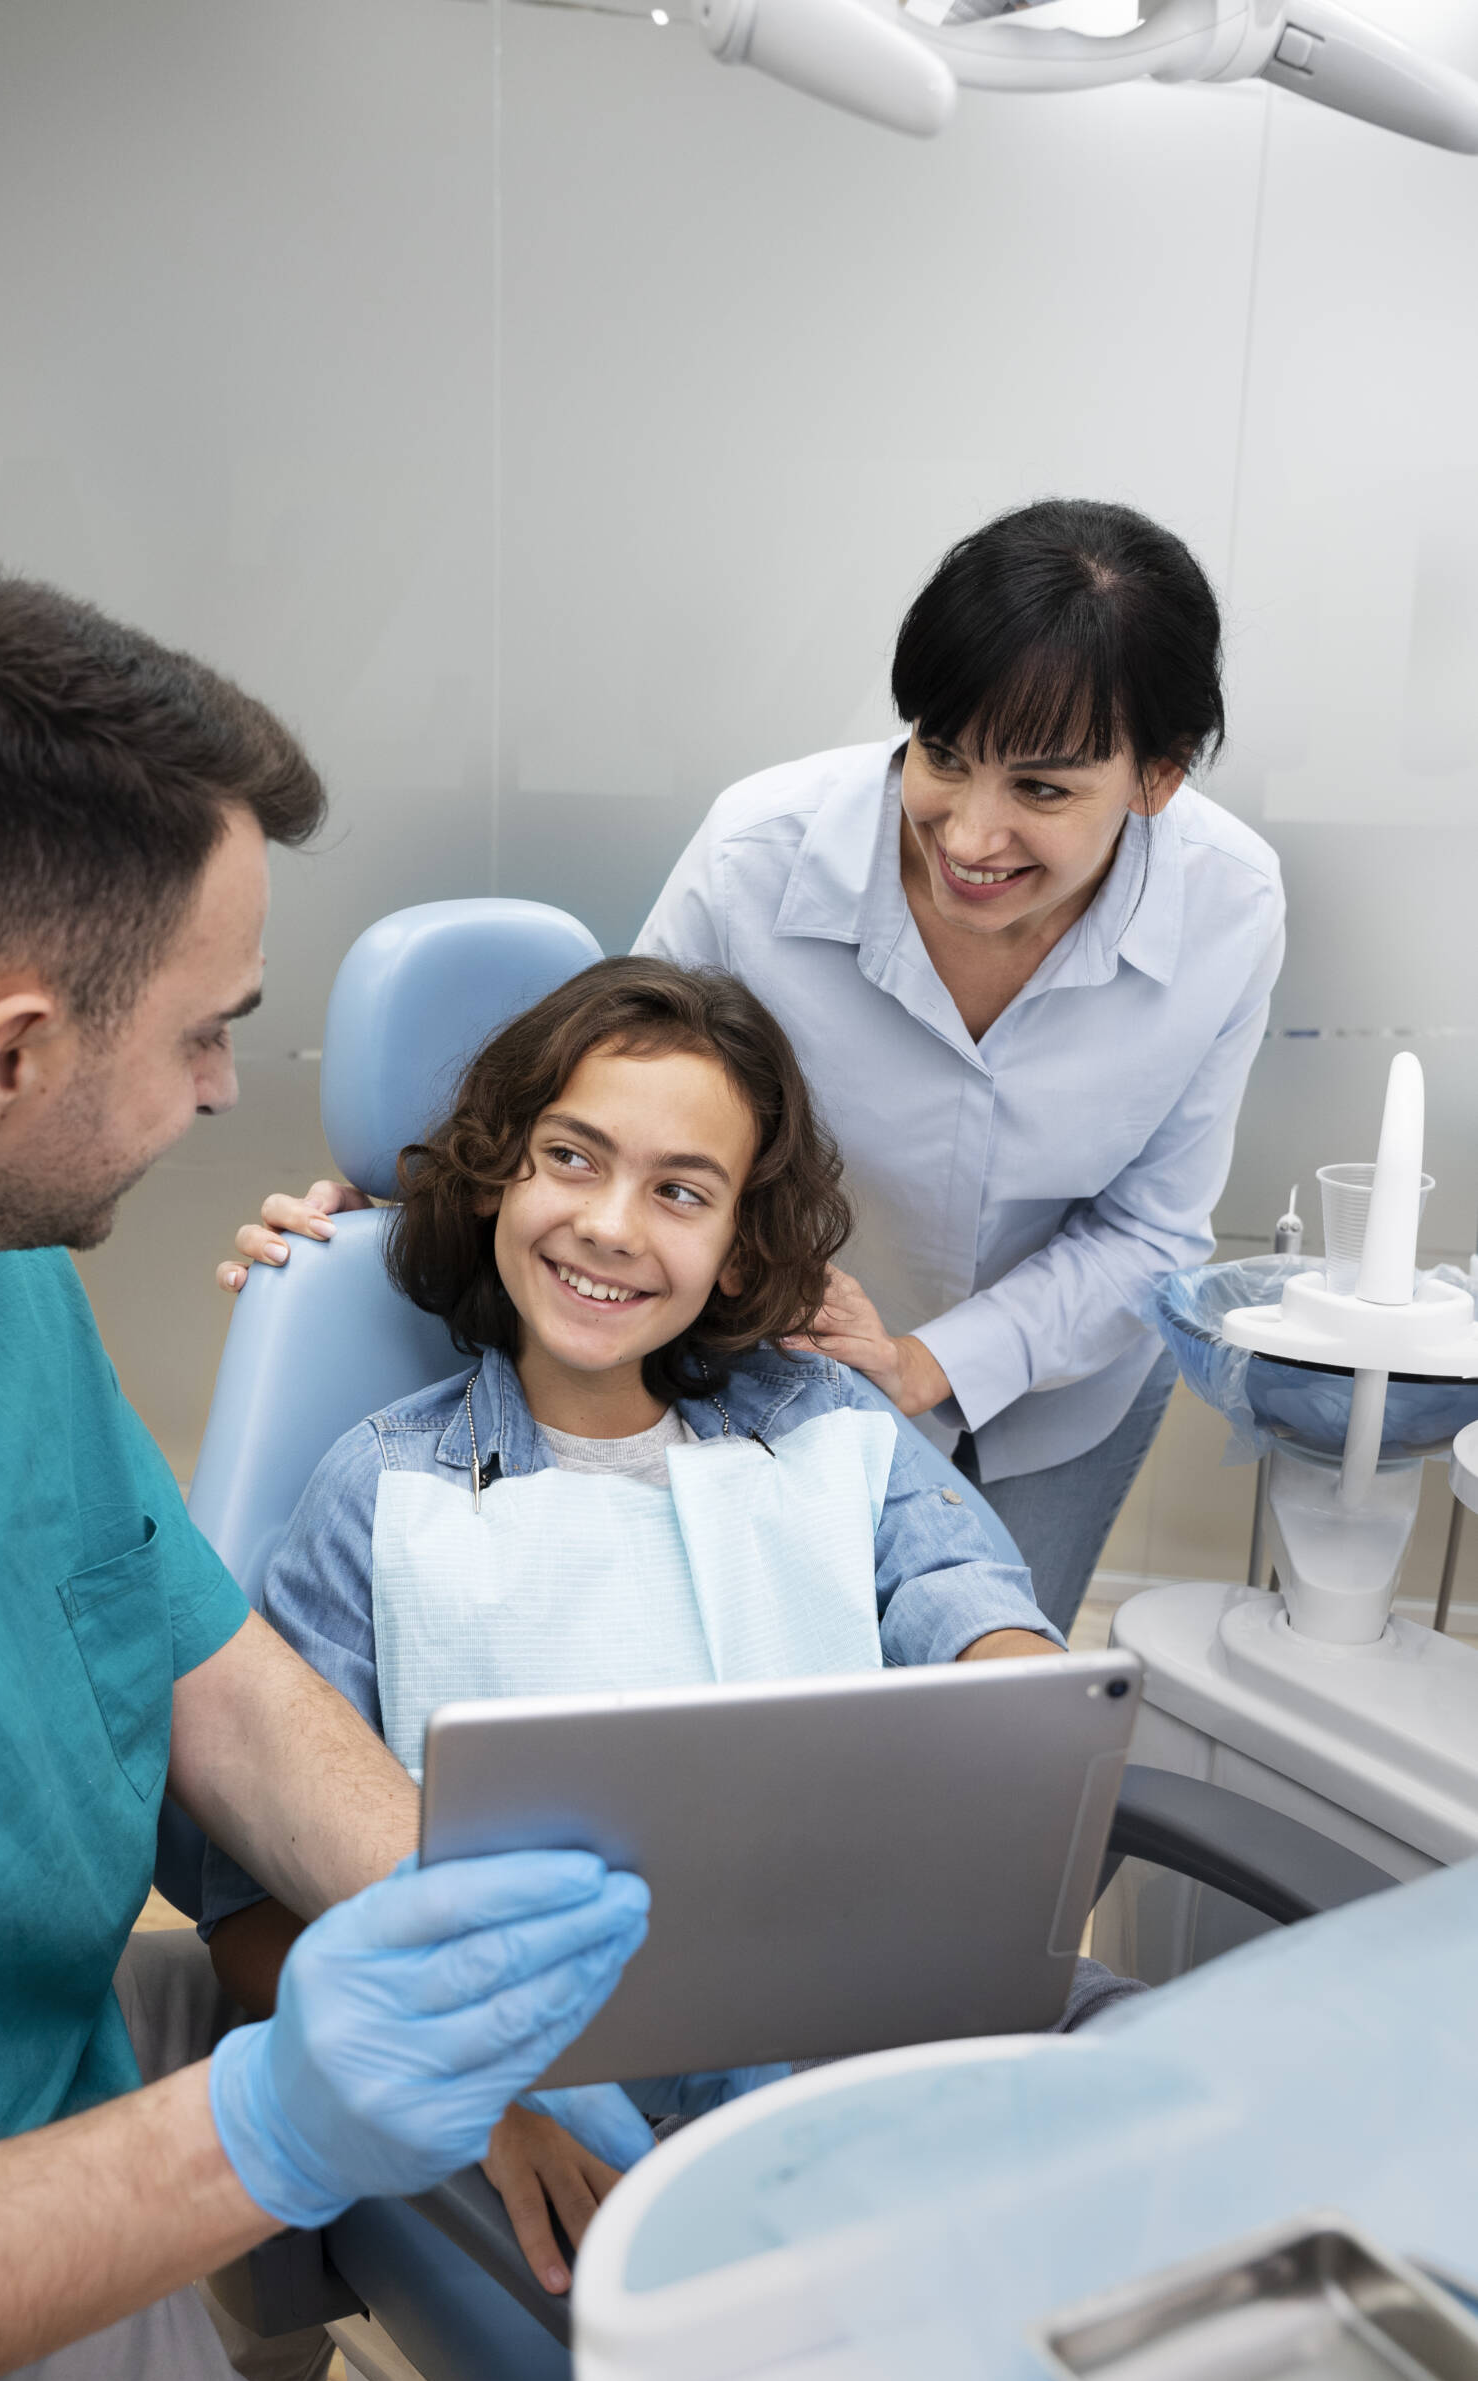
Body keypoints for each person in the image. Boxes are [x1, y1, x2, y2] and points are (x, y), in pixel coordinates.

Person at [0, 569, 650, 2381]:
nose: (217, 1098)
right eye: (201, 1036)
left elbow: (210, 1672)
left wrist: (464, 1928)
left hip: (58, 2075)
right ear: (1, 1058)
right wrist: (254, 2135)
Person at [227, 498, 1285, 1637]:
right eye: (942, 755)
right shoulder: (759, 855)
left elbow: (1152, 1231)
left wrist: (927, 1362)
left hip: (1059, 1392)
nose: (971, 836)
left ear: (1157, 781)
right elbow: (608, 1101)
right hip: (763, 1379)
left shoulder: (1229, 907)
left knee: (972, 1665)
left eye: (1041, 789)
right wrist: (398, 1205)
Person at [200, 957, 1065, 2275]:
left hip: (873, 2044)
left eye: (679, 1191)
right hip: (577, 2091)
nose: (609, 1225)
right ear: (497, 1174)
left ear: (735, 1248)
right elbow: (255, 1916)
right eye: (569, 1158)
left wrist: (1012, 1726)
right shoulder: (381, 1493)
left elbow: (990, 1645)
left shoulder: (835, 1434)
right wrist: (488, 2106)